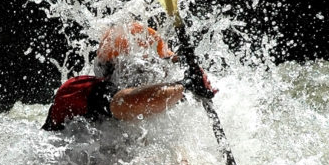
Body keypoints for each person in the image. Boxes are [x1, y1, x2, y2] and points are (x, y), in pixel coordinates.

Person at [42, 22, 214, 132]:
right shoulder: (79, 88)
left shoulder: (152, 105)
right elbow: (127, 102)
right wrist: (185, 86)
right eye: (147, 67)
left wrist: (195, 81)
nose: (160, 72)